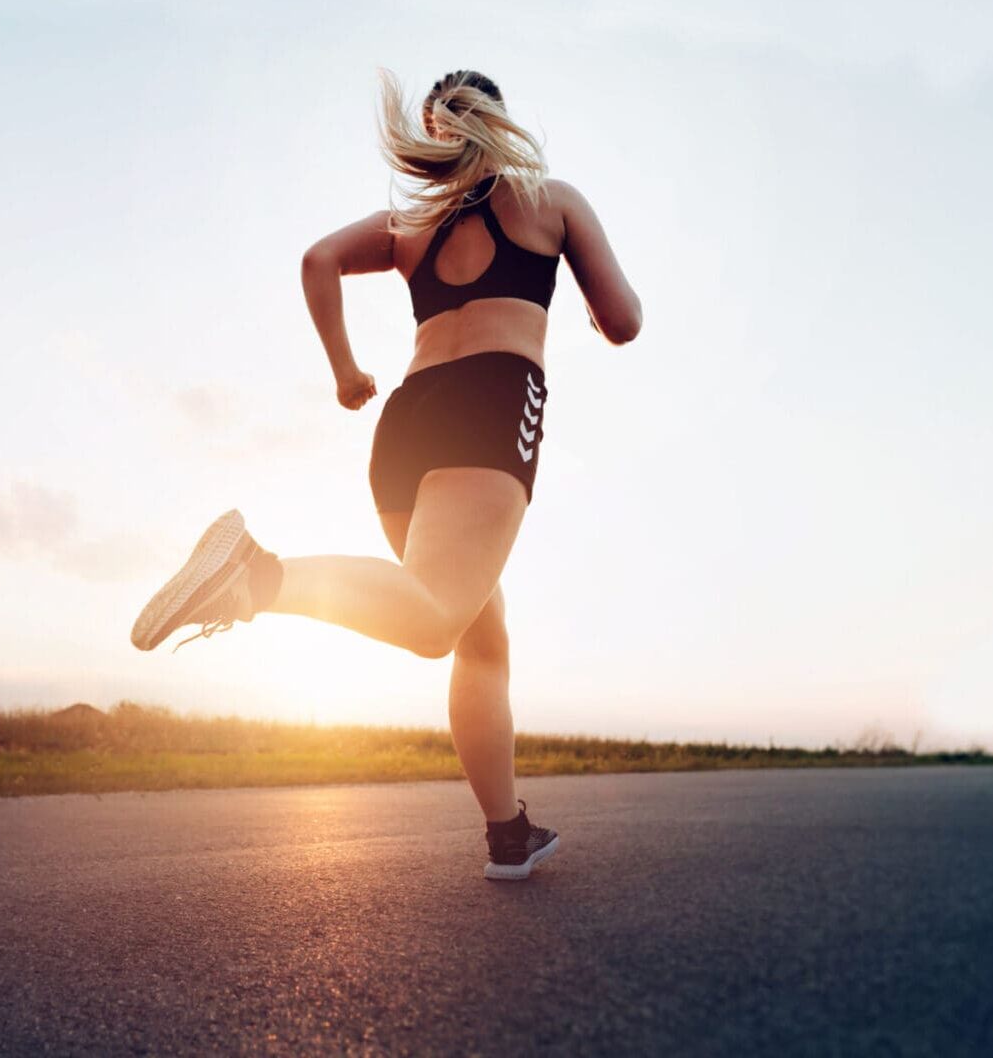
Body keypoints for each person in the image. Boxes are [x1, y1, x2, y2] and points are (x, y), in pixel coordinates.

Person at [131, 69, 641, 880]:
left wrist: (344, 372)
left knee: (481, 637)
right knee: (438, 619)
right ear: (498, 121)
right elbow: (624, 321)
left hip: (406, 424)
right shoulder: (551, 200)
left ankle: (508, 832)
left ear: (437, 135)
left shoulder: (412, 221)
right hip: (492, 398)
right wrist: (572, 287)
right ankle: (256, 577)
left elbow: (317, 259)